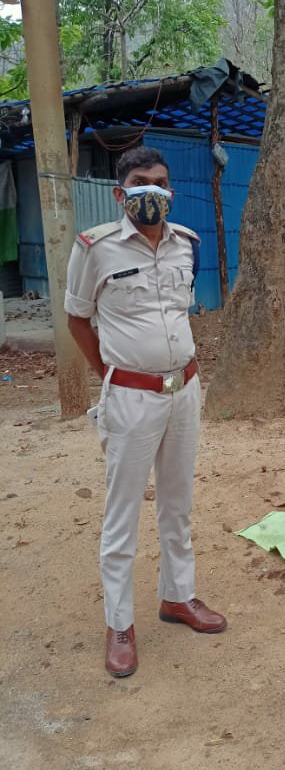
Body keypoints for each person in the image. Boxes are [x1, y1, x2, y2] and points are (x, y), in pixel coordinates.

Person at [65, 145, 226, 678]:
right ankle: (119, 624)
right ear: (121, 193)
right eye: (139, 181)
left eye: (159, 181)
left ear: (170, 191)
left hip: (184, 390)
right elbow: (78, 319)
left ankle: (178, 596)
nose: (150, 190)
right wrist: (112, 373)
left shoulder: (187, 245)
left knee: (177, 504)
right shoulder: (95, 249)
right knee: (123, 513)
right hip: (131, 397)